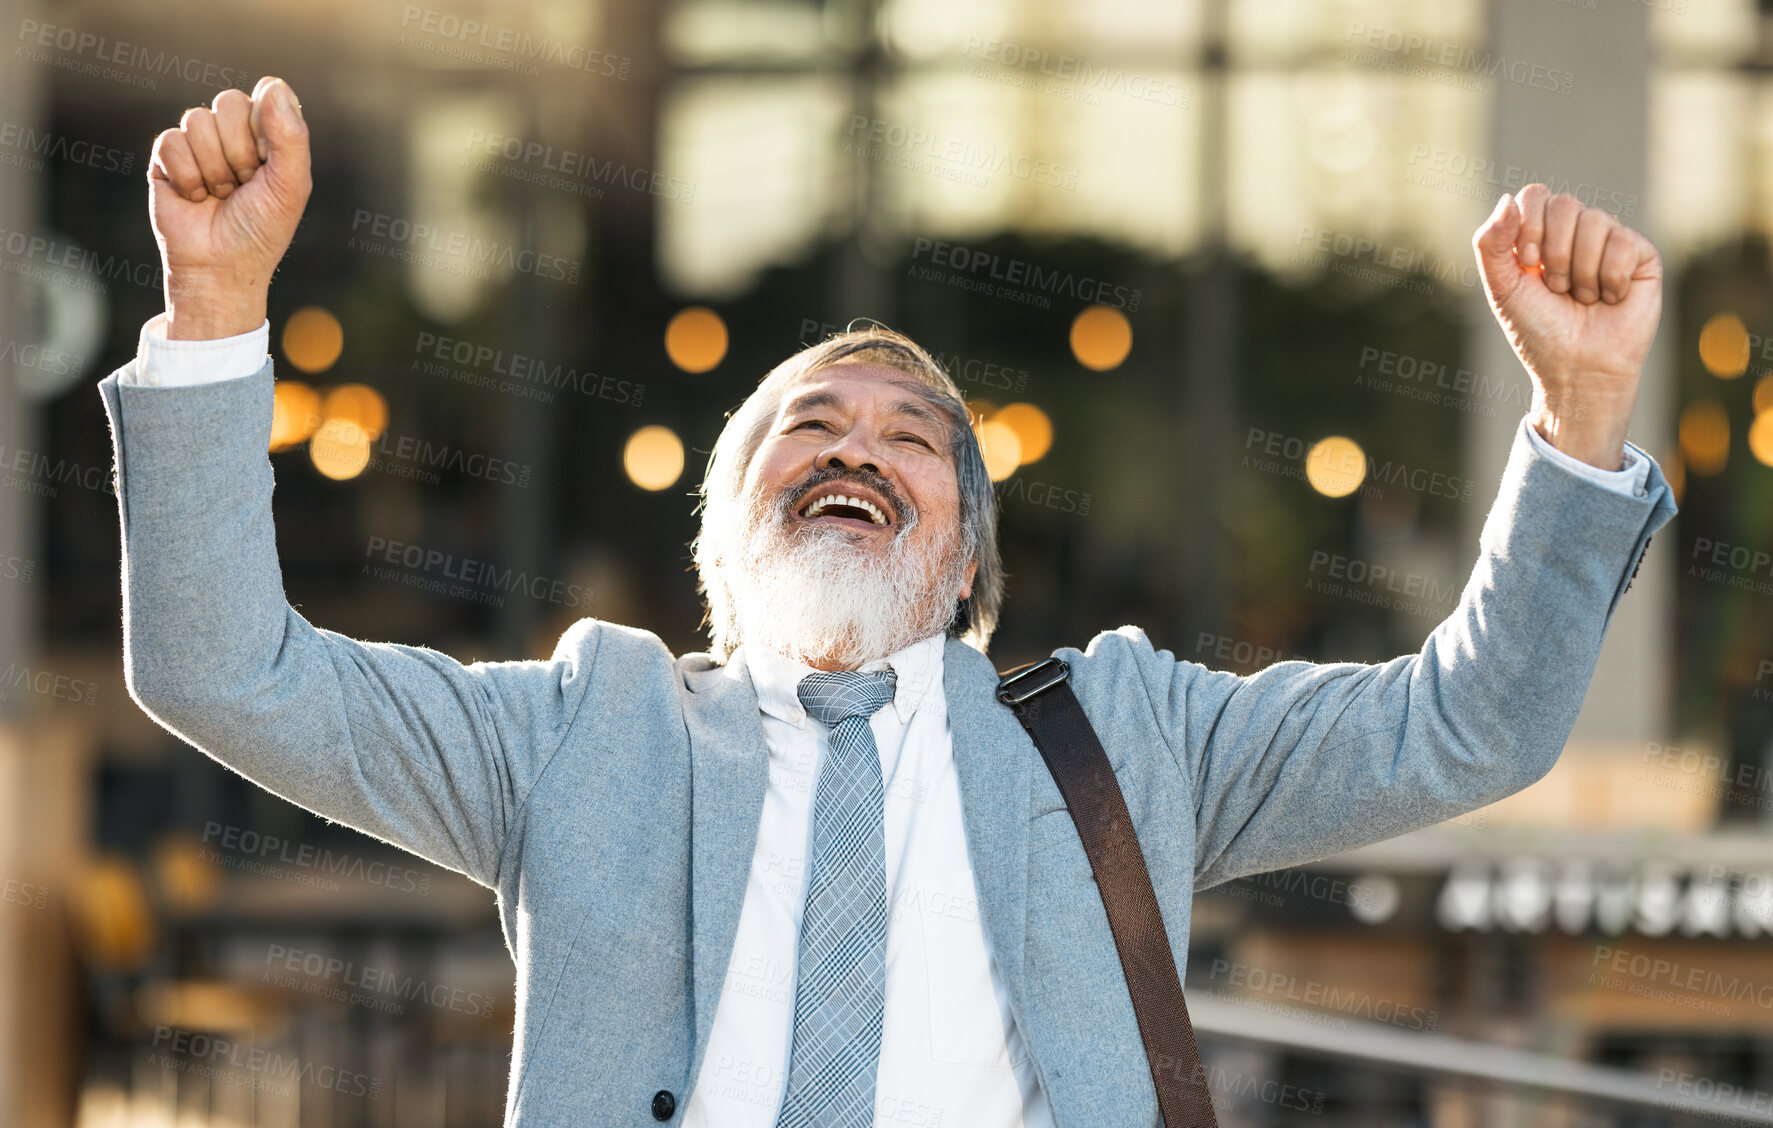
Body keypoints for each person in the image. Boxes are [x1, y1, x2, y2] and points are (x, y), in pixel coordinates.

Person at [101, 77, 1675, 1127]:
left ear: (969, 562)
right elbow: (223, 668)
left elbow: (1470, 725)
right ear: (723, 529)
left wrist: (1582, 412)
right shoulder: (584, 728)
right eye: (811, 428)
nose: (858, 446)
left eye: (913, 440)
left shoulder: (1129, 735)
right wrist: (218, 308)